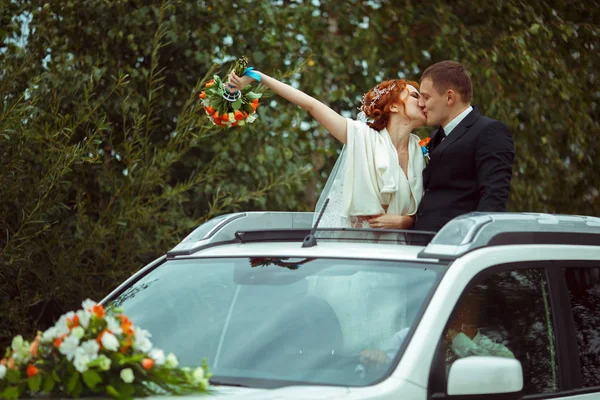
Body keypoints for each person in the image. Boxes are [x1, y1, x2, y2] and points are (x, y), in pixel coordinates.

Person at [226, 69, 426, 230]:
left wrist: (404, 221)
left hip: (404, 255)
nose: (423, 102)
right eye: (416, 96)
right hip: (360, 252)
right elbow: (311, 104)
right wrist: (258, 76)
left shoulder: (423, 151)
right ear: (394, 107)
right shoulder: (361, 136)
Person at [414, 61, 515, 232]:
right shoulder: (433, 138)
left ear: (449, 97)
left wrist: (474, 244)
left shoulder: (489, 131)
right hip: (421, 243)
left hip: (457, 246)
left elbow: (494, 196)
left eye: (426, 97)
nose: (421, 104)